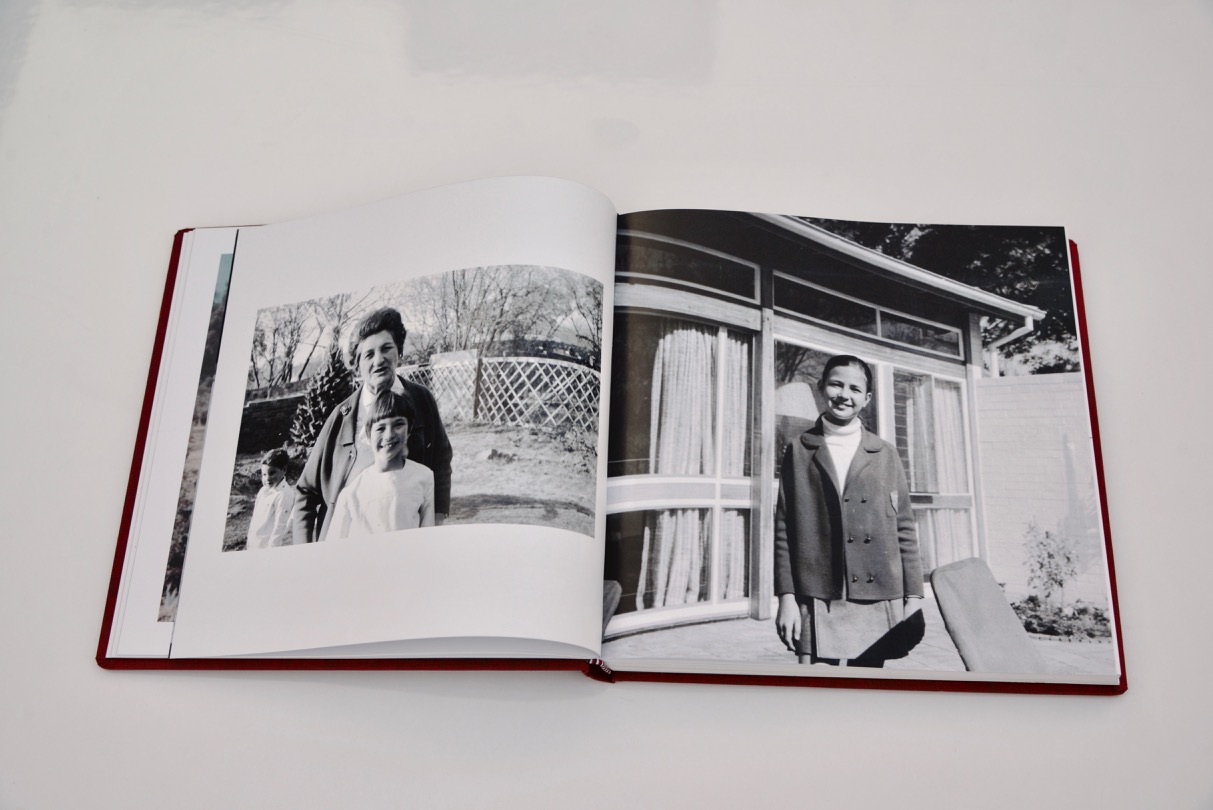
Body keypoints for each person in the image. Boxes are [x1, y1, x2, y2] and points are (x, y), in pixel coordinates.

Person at [774, 354, 924, 667]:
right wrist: (786, 598)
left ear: (867, 399)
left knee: (865, 690)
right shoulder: (799, 449)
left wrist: (913, 597)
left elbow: (904, 528)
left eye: (855, 389)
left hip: (876, 595)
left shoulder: (885, 454)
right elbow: (784, 528)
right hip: (817, 594)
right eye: (836, 385)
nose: (844, 395)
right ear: (821, 388)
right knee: (815, 689)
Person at [293, 308, 452, 543]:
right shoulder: (342, 417)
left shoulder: (421, 399)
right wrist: (304, 551)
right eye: (368, 354)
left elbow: (441, 459)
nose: (379, 360)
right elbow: (306, 491)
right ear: (357, 364)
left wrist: (435, 519)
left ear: (399, 351)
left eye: (386, 348)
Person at [328, 390, 435, 538]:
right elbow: (334, 545)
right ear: (368, 434)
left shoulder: (423, 477)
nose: (389, 435)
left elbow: (428, 536)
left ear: (409, 429)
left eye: (398, 425)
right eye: (380, 428)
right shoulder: (352, 492)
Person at [246, 449, 294, 549]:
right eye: (264, 474)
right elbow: (255, 518)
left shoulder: (283, 495)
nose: (267, 478)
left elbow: (280, 527)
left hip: (265, 546)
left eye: (272, 473)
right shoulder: (263, 490)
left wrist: (271, 549)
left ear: (284, 470)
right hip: (253, 543)